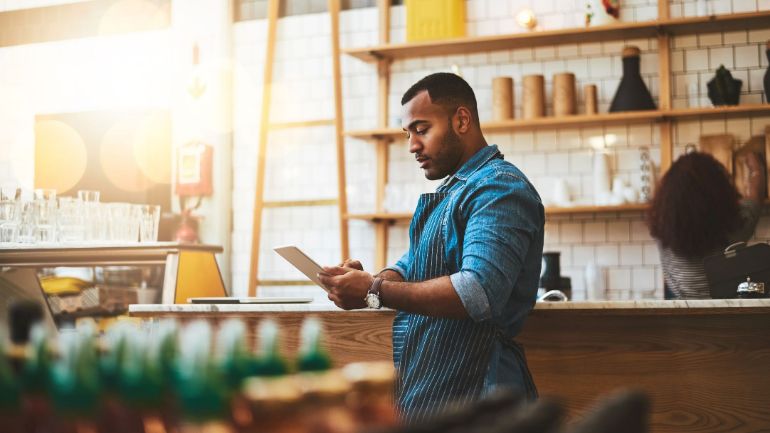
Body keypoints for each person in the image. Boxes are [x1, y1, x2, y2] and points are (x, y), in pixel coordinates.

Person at [318, 72, 545, 423]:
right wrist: (370, 279)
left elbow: (478, 291)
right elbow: (414, 264)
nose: (411, 145)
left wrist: (375, 290)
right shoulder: (457, 189)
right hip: (435, 390)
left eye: (422, 130)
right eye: (408, 133)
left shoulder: (499, 188)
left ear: (461, 120)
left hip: (482, 393)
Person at [647, 151, 765, 299]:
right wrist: (755, 166)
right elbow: (756, 193)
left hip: (680, 315)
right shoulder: (737, 226)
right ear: (720, 191)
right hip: (725, 315)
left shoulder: (662, 227)